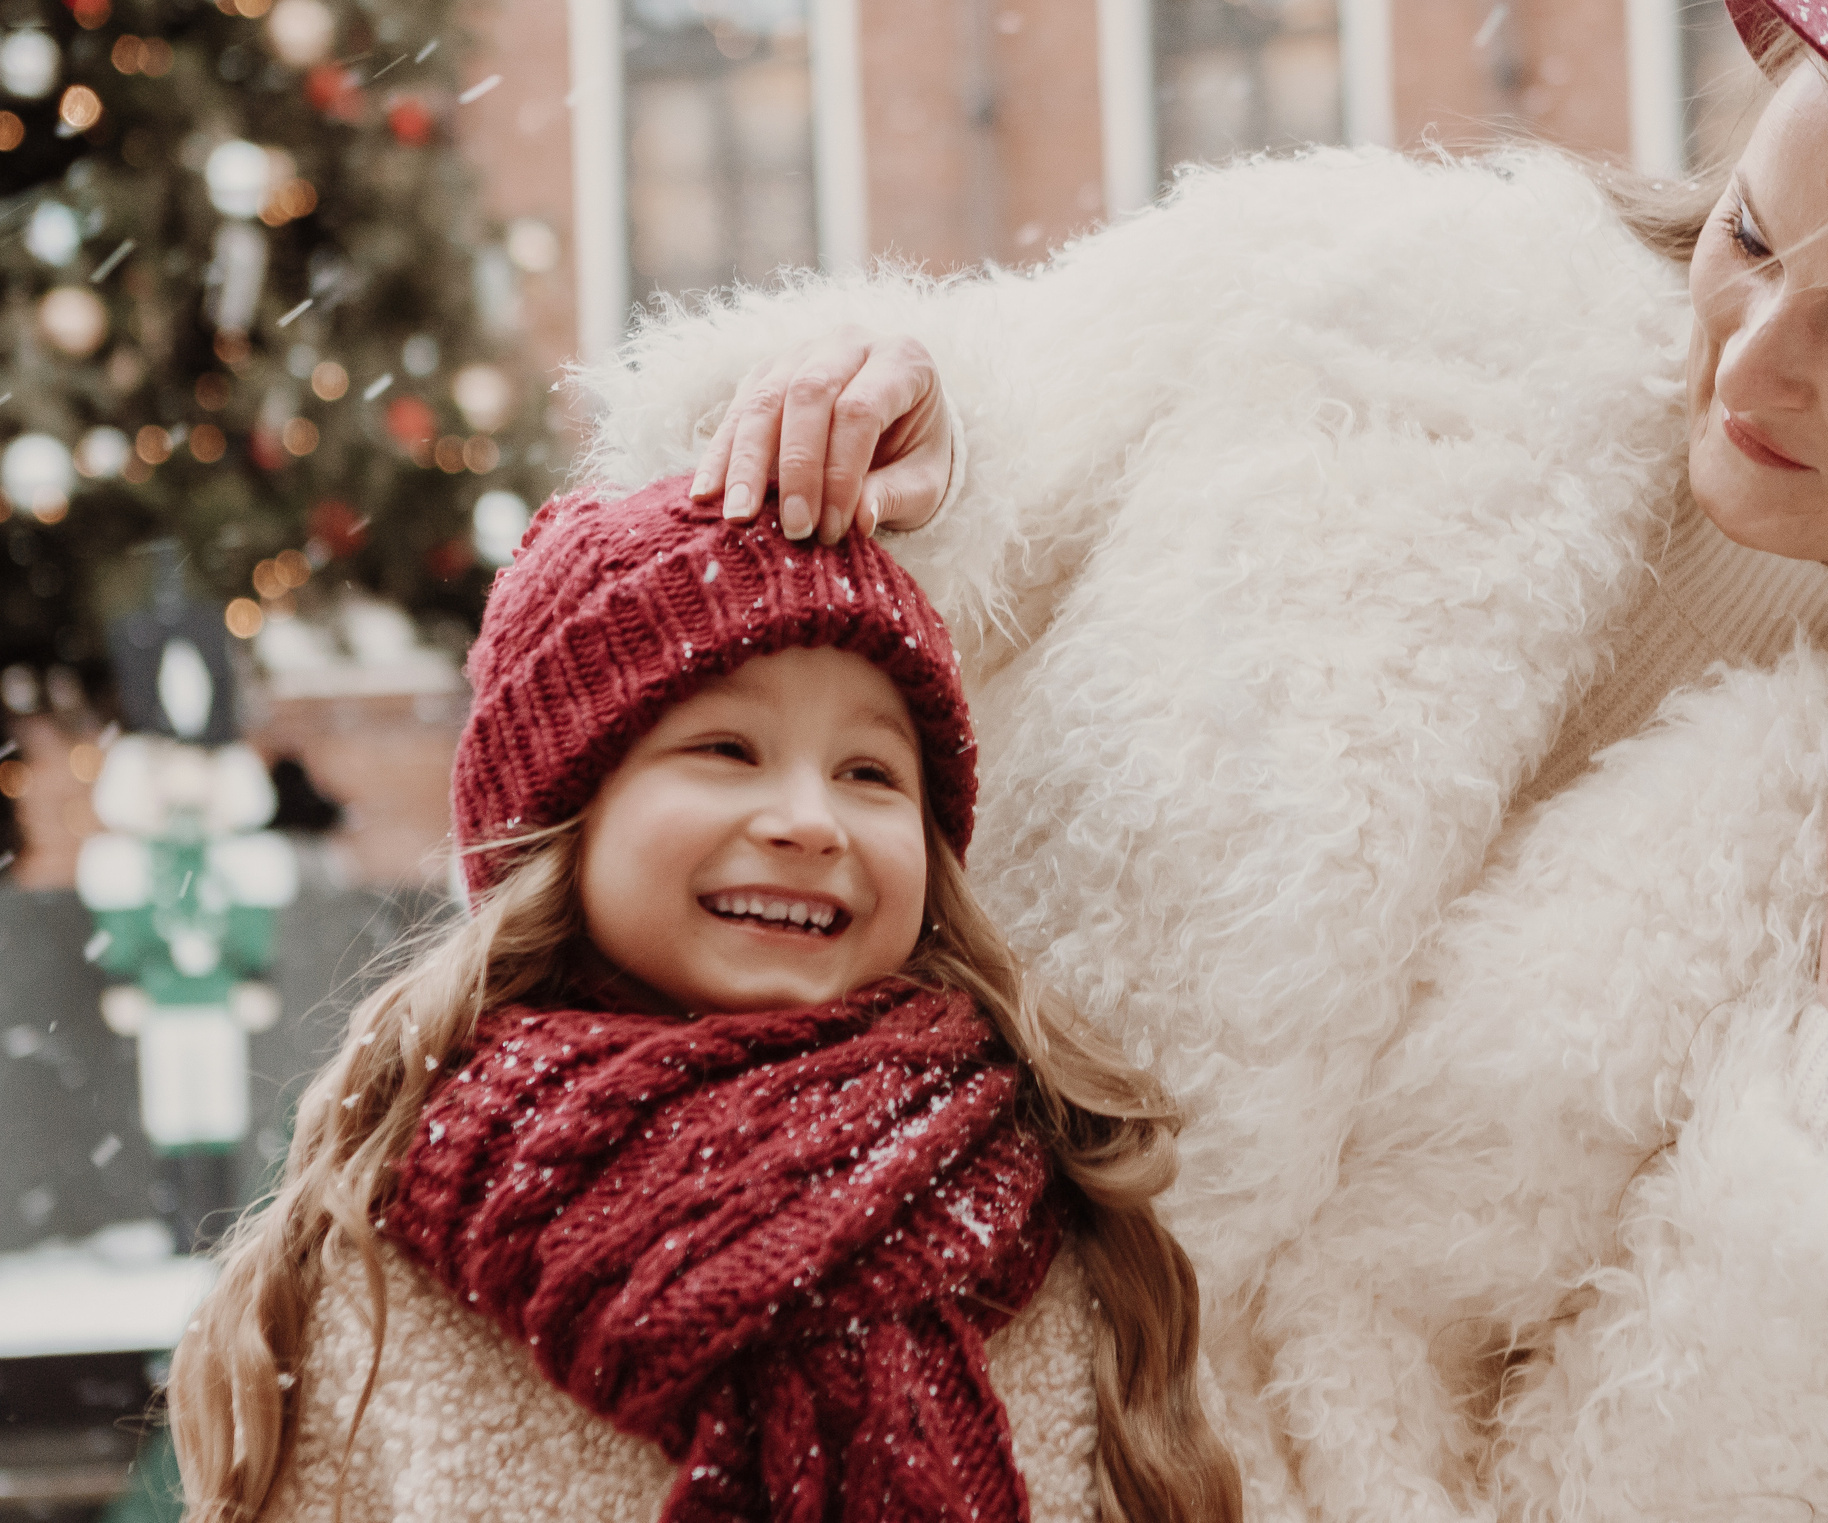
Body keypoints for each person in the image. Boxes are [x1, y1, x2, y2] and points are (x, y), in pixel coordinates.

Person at [583, 0, 1828, 1523]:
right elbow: (825, 563)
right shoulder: (1369, 296)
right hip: (746, 1366)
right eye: (1750, 235)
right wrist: (896, 413)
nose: (1751, 354)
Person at [166, 477, 1244, 1523]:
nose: (809, 820)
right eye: (726, 748)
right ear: (565, 819)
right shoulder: (376, 1258)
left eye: (870, 773)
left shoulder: (1058, 1203)